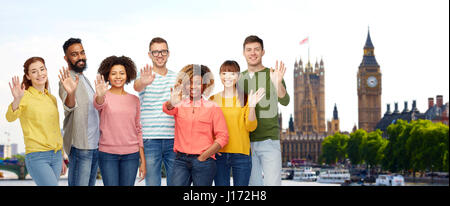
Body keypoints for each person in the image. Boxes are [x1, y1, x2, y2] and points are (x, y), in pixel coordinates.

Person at [163, 64, 228, 186]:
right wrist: (172, 101)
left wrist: (204, 156)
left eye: (198, 83)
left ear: (204, 85)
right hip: (180, 161)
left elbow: (223, 137)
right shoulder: (179, 105)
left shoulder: (212, 107)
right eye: (189, 82)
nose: (193, 86)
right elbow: (167, 109)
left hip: (204, 162)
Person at [6, 57, 67, 186]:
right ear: (28, 76)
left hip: (56, 156)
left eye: (42, 69)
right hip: (37, 156)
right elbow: (9, 117)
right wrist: (17, 99)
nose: (40, 74)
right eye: (34, 71)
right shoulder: (24, 96)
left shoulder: (52, 99)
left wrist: (61, 156)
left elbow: (55, 129)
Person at [237, 35, 289, 186]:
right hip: (247, 143)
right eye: (249, 50)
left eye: (256, 49)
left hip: (269, 140)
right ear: (244, 53)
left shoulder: (273, 74)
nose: (253, 53)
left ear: (263, 52)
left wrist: (278, 83)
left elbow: (285, 101)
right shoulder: (239, 79)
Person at [209, 60, 265, 186]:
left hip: (241, 154)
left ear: (238, 76)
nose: (227, 77)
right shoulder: (213, 99)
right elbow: (208, 128)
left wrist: (251, 106)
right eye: (224, 73)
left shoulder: (245, 99)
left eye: (232, 74)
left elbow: (251, 127)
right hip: (219, 153)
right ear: (220, 76)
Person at [94, 55, 146, 186]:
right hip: (107, 154)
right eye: (114, 73)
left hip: (131, 155)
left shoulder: (134, 100)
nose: (118, 77)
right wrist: (100, 95)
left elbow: (138, 129)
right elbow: (98, 104)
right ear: (108, 76)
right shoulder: (102, 95)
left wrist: (143, 160)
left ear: (127, 75)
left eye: (122, 73)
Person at [134, 37, 177, 186]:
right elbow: (137, 86)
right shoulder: (144, 76)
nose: (160, 55)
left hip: (174, 139)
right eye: (156, 52)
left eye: (163, 51)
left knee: (177, 182)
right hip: (150, 139)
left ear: (168, 53)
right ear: (150, 55)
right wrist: (143, 82)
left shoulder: (176, 77)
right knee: (152, 183)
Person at [59, 38, 100, 186]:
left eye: (82, 52)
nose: (80, 57)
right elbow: (69, 106)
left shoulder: (85, 79)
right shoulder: (66, 79)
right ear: (66, 58)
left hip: (94, 146)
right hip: (80, 146)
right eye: (74, 54)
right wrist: (71, 93)